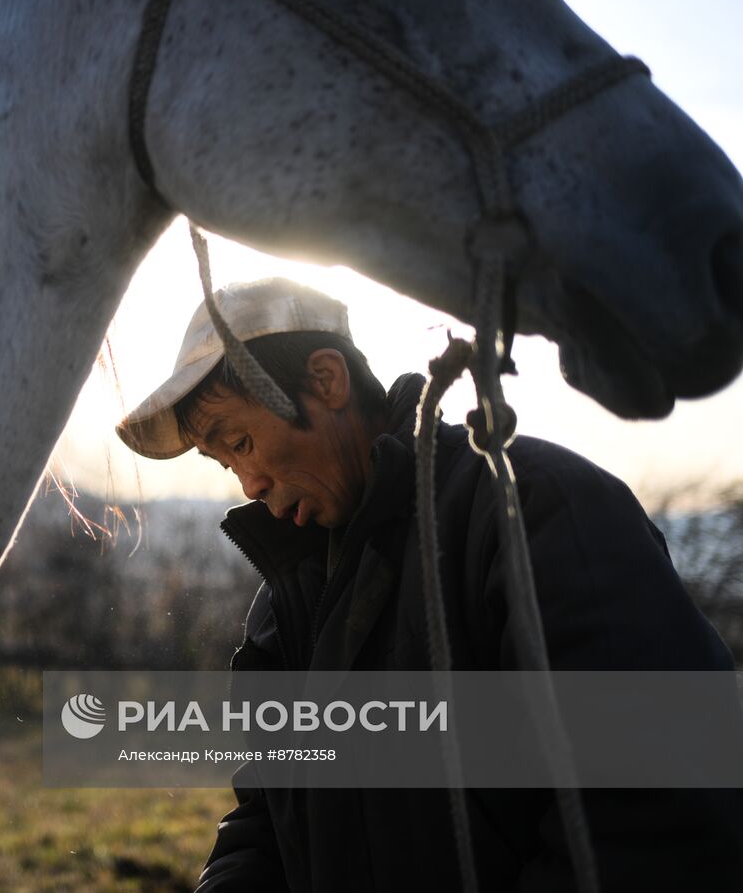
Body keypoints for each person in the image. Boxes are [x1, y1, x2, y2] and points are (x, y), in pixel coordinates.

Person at [114, 277, 743, 892]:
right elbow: (270, 820)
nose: (248, 484)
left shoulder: (533, 512)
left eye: (243, 441)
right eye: (228, 462)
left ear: (326, 381)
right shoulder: (288, 602)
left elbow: (658, 813)